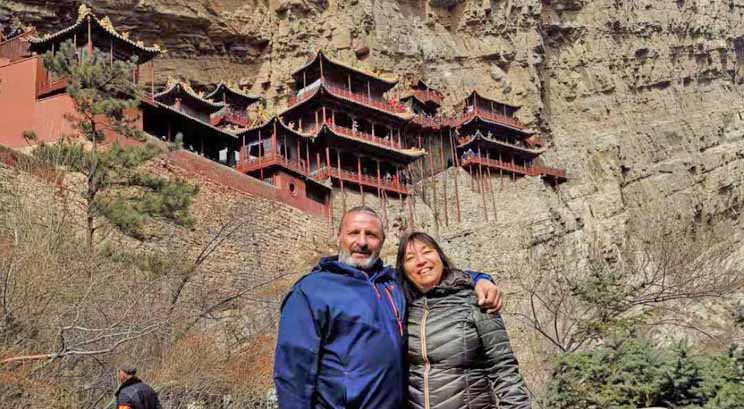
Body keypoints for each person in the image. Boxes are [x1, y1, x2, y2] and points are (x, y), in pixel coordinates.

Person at [273, 206, 502, 409]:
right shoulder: (311, 291)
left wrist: (480, 279)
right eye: (354, 233)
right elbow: (293, 375)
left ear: (382, 241)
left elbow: (437, 277)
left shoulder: (395, 283)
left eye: (371, 235)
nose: (362, 242)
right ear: (338, 237)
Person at [397, 231, 530, 409]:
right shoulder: (403, 307)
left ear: (440, 256)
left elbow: (503, 368)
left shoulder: (475, 299)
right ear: (403, 270)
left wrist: (482, 279)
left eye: (427, 251)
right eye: (410, 258)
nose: (421, 261)